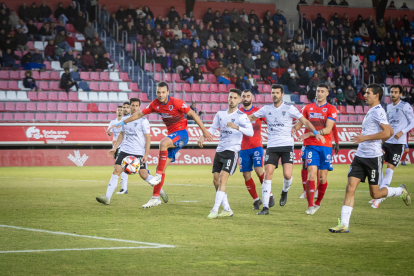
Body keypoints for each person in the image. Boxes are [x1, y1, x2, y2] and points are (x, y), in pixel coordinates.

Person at [110, 82, 213, 208]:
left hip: (182, 133)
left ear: (168, 92)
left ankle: (157, 177)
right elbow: (139, 114)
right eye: (158, 92)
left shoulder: (176, 103)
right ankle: (155, 198)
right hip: (172, 137)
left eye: (163, 92)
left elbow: (193, 114)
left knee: (162, 143)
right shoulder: (155, 104)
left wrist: (204, 131)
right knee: (162, 167)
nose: (160, 95)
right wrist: (123, 122)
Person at [329, 84, 410, 233]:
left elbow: (386, 133)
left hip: (373, 158)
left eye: (368, 93)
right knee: (350, 187)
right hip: (360, 156)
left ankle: (400, 191)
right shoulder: (373, 111)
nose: (364, 96)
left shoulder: (378, 111)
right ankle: (344, 225)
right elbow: (390, 131)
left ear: (376, 95)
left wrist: (366, 138)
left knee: (375, 194)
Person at [96, 98, 168, 206]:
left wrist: (146, 154)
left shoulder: (143, 121)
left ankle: (161, 192)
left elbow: (148, 138)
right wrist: (115, 148)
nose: (134, 108)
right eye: (132, 105)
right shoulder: (125, 120)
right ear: (129, 106)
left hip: (138, 152)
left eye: (136, 106)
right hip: (125, 150)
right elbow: (121, 135)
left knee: (144, 174)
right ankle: (107, 198)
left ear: (139, 107)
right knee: (116, 170)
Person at [198, 89, 253, 219]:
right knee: (215, 180)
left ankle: (215, 209)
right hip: (220, 150)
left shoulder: (242, 116)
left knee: (223, 177)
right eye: (230, 97)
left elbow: (250, 132)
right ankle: (227, 208)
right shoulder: (220, 114)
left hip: (232, 151)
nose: (232, 100)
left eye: (235, 98)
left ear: (239, 100)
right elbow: (212, 128)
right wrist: (203, 136)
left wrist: (236, 127)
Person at [293, 84, 337, 215]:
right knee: (312, 173)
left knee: (322, 178)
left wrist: (310, 133)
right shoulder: (308, 107)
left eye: (322, 91)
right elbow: (301, 123)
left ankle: (318, 203)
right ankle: (310, 205)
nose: (319, 93)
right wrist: (293, 128)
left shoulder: (331, 108)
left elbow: (328, 129)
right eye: (318, 91)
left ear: (327, 93)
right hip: (310, 145)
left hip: (325, 145)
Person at [370, 85, 414, 208]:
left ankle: (379, 198)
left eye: (395, 92)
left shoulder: (405, 106)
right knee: (378, 165)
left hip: (398, 144)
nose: (393, 94)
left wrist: (402, 131)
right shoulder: (388, 107)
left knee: (390, 168)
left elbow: (413, 122)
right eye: (392, 92)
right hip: (387, 142)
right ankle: (380, 193)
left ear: (400, 94)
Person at [237, 90, 269, 209]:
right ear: (241, 98)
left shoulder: (258, 112)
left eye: (248, 96)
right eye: (244, 96)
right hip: (243, 148)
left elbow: (270, 122)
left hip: (256, 146)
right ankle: (256, 200)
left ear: (252, 97)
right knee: (246, 174)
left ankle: (269, 194)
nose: (246, 98)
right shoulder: (238, 113)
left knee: (258, 169)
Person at [106, 104, 130, 194]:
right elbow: (109, 133)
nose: (120, 111)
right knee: (118, 166)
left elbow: (125, 134)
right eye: (118, 110)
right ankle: (123, 185)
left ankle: (124, 188)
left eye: (121, 110)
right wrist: (108, 133)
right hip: (116, 147)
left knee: (121, 166)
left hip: (123, 146)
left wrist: (116, 141)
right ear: (116, 111)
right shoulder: (112, 122)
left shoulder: (125, 121)